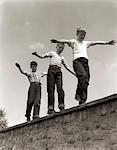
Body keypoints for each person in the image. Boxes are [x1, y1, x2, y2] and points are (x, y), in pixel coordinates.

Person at [50, 27, 116, 105]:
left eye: (84, 35)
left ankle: (82, 100)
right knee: (83, 76)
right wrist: (57, 41)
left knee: (86, 80)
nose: (82, 36)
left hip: (85, 62)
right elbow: (65, 40)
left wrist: (107, 43)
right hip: (77, 61)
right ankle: (78, 94)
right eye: (81, 34)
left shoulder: (86, 43)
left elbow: (96, 42)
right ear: (77, 34)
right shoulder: (73, 41)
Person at [32, 42, 76, 114]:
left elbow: (67, 67)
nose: (61, 49)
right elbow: (43, 56)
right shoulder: (52, 53)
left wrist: (74, 73)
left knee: (60, 89)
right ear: (57, 46)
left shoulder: (62, 57)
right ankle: (50, 108)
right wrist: (37, 54)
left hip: (58, 72)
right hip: (51, 70)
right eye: (60, 47)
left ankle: (61, 106)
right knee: (51, 89)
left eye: (62, 48)